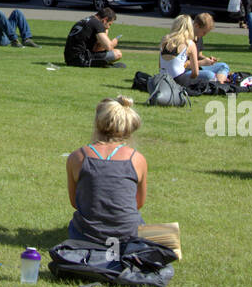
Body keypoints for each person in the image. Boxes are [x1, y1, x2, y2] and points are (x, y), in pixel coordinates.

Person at [66, 97, 148, 243]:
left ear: (97, 123)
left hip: (86, 235)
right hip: (128, 235)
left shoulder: (77, 157)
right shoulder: (137, 159)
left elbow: (75, 202)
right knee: (164, 234)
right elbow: (138, 203)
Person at [159, 14, 228, 83]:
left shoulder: (167, 40)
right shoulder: (186, 42)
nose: (204, 35)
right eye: (204, 32)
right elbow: (180, 64)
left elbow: (199, 55)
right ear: (196, 26)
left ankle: (219, 83)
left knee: (223, 66)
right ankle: (218, 84)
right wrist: (202, 63)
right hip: (184, 71)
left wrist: (207, 60)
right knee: (209, 75)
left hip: (190, 69)